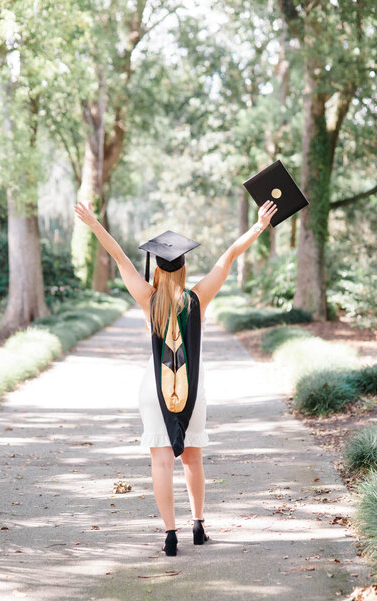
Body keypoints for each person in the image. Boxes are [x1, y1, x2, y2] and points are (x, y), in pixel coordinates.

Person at [73, 199, 278, 556]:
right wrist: (259, 225)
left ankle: (170, 534)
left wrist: (92, 223)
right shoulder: (198, 298)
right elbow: (228, 256)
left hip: (154, 388)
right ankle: (198, 524)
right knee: (193, 458)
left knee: (161, 461)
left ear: (157, 270)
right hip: (192, 387)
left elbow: (120, 257)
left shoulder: (148, 298)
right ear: (183, 269)